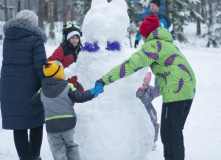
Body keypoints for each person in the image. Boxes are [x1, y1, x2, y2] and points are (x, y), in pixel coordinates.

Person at [96, 14, 196, 160]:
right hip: (189, 89)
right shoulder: (167, 42)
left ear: (146, 34)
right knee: (175, 133)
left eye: (142, 35)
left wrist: (105, 79)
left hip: (176, 91)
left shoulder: (153, 45)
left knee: (169, 135)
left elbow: (130, 65)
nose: (141, 38)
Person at [31, 60, 103, 160]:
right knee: (71, 146)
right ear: (60, 73)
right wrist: (93, 91)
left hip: (52, 126)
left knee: (57, 150)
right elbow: (79, 97)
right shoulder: (68, 86)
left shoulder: (42, 90)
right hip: (68, 123)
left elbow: (34, 100)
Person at [0, 10, 47, 160]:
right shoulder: (35, 40)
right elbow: (41, 66)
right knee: (37, 121)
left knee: (18, 124)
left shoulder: (8, 39)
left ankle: (25, 158)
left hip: (10, 88)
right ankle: (34, 156)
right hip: (30, 87)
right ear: (33, 23)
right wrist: (47, 84)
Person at [47, 24, 84, 105]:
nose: (75, 40)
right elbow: (50, 63)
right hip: (66, 84)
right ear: (68, 38)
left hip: (78, 84)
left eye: (77, 38)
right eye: (72, 38)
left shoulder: (81, 49)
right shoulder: (62, 49)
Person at [136, 71, 161, 148]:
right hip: (138, 111)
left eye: (146, 84)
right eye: (143, 84)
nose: (144, 86)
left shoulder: (149, 90)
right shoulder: (135, 89)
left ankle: (152, 141)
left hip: (149, 111)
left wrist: (158, 84)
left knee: (153, 125)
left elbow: (156, 92)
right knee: (139, 126)